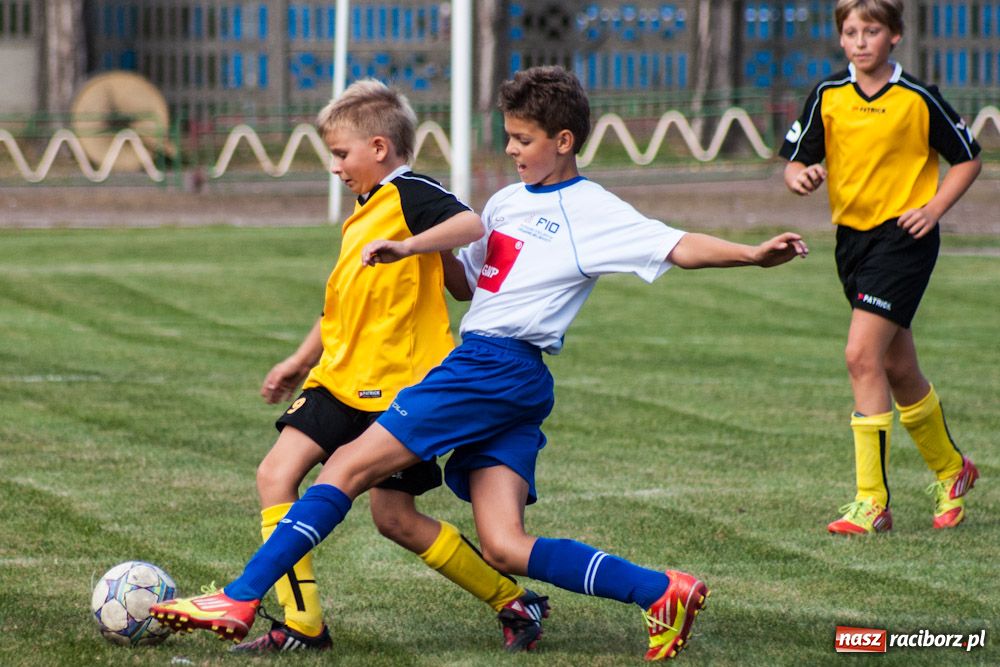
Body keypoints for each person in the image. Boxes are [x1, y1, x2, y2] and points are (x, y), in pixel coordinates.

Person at [152, 66, 808, 661]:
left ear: (565, 140)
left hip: (494, 367)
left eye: (524, 139)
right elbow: (469, 286)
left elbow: (677, 244)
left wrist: (752, 254)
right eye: (510, 137)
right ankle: (663, 589)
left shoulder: (590, 208)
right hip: (503, 375)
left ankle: (239, 598)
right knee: (503, 544)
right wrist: (416, 252)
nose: (513, 150)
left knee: (346, 467)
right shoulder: (505, 203)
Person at [228, 78, 550, 653]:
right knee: (275, 473)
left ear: (379, 148)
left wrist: (413, 246)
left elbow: (470, 225)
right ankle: (300, 623)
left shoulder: (409, 191)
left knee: (395, 520)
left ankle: (512, 600)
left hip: (399, 387)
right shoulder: (367, 209)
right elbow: (344, 304)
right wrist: (300, 361)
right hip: (339, 380)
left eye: (340, 154)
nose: (335, 167)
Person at [779, 0, 981, 535]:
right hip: (853, 243)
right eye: (851, 31)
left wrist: (934, 208)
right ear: (841, 40)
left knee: (860, 356)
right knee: (897, 368)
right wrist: (799, 174)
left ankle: (872, 502)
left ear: (894, 36)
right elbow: (796, 158)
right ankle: (951, 469)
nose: (861, 40)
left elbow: (969, 157)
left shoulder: (918, 99)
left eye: (872, 30)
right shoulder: (828, 95)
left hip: (905, 238)